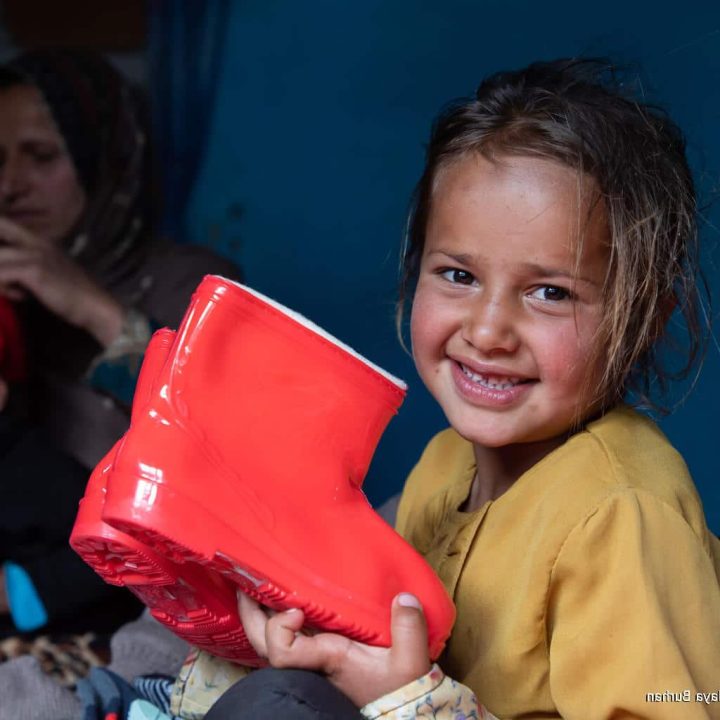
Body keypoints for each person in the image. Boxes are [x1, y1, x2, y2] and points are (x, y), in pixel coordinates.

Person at [209, 57, 720, 719]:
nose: (487, 330)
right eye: (458, 276)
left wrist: (407, 700)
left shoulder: (624, 515)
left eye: (549, 292)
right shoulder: (443, 463)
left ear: (647, 318)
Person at [0, 48, 241, 640]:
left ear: (105, 158)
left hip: (152, 623)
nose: (9, 187)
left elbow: (233, 455)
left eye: (41, 156)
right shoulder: (8, 300)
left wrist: (88, 305)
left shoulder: (195, 285)